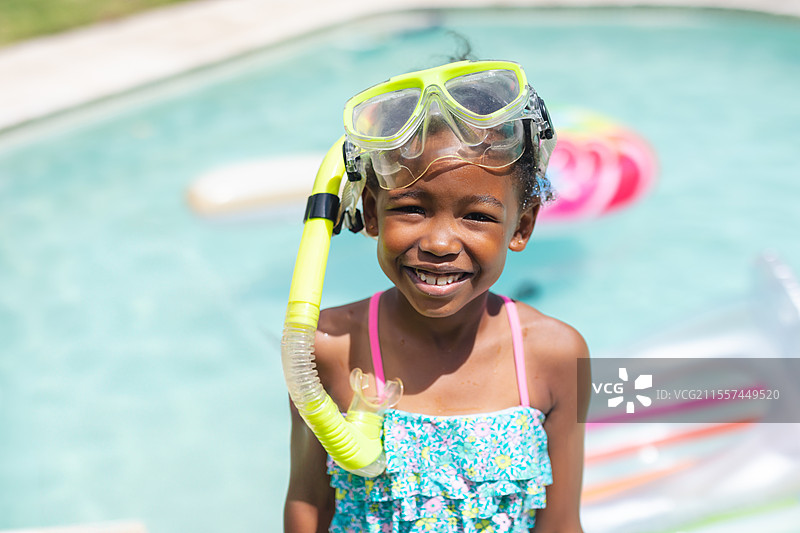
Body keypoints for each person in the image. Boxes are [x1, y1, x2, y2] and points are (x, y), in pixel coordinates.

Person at [285, 59, 589, 533]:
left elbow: (561, 522)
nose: (440, 243)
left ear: (522, 226)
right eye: (411, 209)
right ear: (371, 213)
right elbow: (309, 502)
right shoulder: (328, 347)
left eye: (477, 216)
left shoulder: (555, 356)